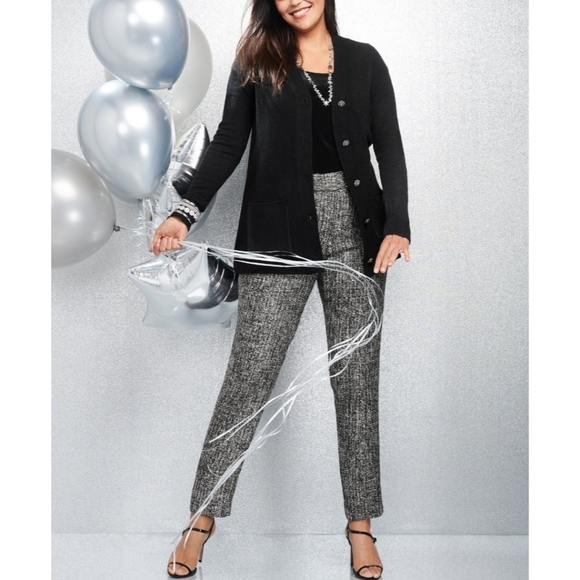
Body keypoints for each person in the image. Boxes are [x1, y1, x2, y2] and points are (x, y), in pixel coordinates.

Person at [152, 1, 410, 578]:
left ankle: (360, 528)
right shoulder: (256, 60)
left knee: (357, 382)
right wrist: (184, 212)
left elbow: (388, 146)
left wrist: (397, 223)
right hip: (277, 231)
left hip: (359, 232)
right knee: (248, 377)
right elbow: (229, 143)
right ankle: (199, 522)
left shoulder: (365, 61)